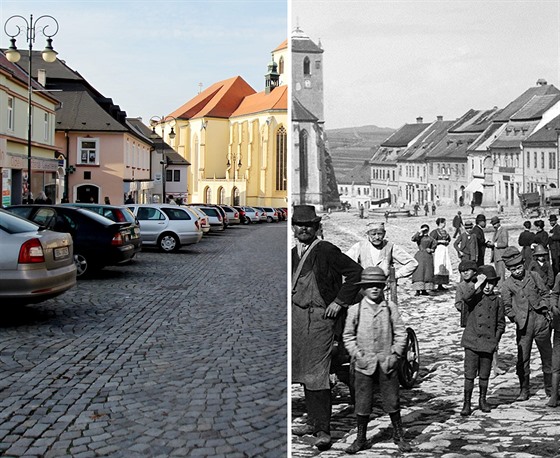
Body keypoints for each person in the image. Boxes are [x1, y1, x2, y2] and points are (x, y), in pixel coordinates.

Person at [291, 205, 362, 451]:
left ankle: (323, 430)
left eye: (308, 225)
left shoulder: (327, 250)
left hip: (322, 319)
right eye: (299, 224)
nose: (303, 229)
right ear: (293, 227)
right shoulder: (292, 255)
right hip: (297, 318)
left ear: (316, 227)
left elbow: (356, 274)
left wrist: (339, 302)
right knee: (302, 369)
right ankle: (312, 421)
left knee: (317, 373)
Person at [342, 267, 412, 453]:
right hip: (364, 364)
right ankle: (361, 438)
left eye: (378, 286)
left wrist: (395, 355)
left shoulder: (390, 308)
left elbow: (400, 333)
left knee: (392, 401)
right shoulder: (355, 310)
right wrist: (358, 355)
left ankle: (399, 434)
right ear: (363, 289)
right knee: (362, 402)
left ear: (383, 288)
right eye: (370, 286)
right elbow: (348, 336)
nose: (374, 289)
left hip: (386, 363)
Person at [501, 246, 553, 401]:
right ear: (508, 270)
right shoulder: (507, 284)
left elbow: (545, 293)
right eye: (513, 269)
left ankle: (550, 388)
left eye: (519, 267)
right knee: (523, 359)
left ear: (523, 263)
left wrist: (545, 308)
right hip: (524, 326)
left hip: (540, 321)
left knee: (547, 356)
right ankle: (524, 390)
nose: (517, 271)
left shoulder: (534, 276)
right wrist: (515, 318)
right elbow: (507, 307)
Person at [457, 265, 505, 416]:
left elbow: (500, 323)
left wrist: (494, 340)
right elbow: (465, 297)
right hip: (472, 341)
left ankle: (482, 400)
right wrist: (477, 283)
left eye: (491, 283)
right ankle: (466, 403)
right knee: (469, 374)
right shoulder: (474, 297)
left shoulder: (498, 301)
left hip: (488, 343)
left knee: (485, 374)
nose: (488, 287)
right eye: (485, 283)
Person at [345, 221, 418, 303]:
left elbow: (412, 263)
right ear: (368, 234)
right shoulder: (360, 246)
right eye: (373, 234)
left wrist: (396, 275)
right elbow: (344, 263)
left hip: (383, 290)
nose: (377, 237)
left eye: (380, 234)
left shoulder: (390, 247)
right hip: (363, 289)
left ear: (384, 233)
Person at [411, 224, 437, 296]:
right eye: (424, 229)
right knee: (419, 272)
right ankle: (418, 290)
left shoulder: (431, 239)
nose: (425, 231)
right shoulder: (419, 238)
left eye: (426, 229)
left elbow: (434, 247)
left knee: (427, 272)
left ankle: (425, 289)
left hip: (428, 257)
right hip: (420, 256)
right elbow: (413, 238)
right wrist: (419, 232)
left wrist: (431, 250)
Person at [547, 272, 560, 407]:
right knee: (556, 364)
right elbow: (554, 293)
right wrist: (554, 306)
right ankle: (554, 395)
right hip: (559, 327)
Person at [430, 218, 452, 291]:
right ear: (440, 223)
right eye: (444, 223)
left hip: (444, 250)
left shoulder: (445, 232)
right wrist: (440, 241)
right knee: (437, 265)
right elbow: (431, 240)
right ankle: (434, 284)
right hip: (438, 250)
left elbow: (449, 239)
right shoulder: (435, 232)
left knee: (444, 265)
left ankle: (441, 284)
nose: (445, 224)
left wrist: (446, 241)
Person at [486, 216, 509, 285]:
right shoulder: (496, 231)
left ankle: (501, 287)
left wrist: (495, 244)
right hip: (496, 255)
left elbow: (505, 243)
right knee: (498, 272)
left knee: (501, 273)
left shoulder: (503, 230)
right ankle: (500, 286)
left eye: (495, 224)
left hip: (501, 255)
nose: (494, 225)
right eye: (493, 224)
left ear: (499, 223)